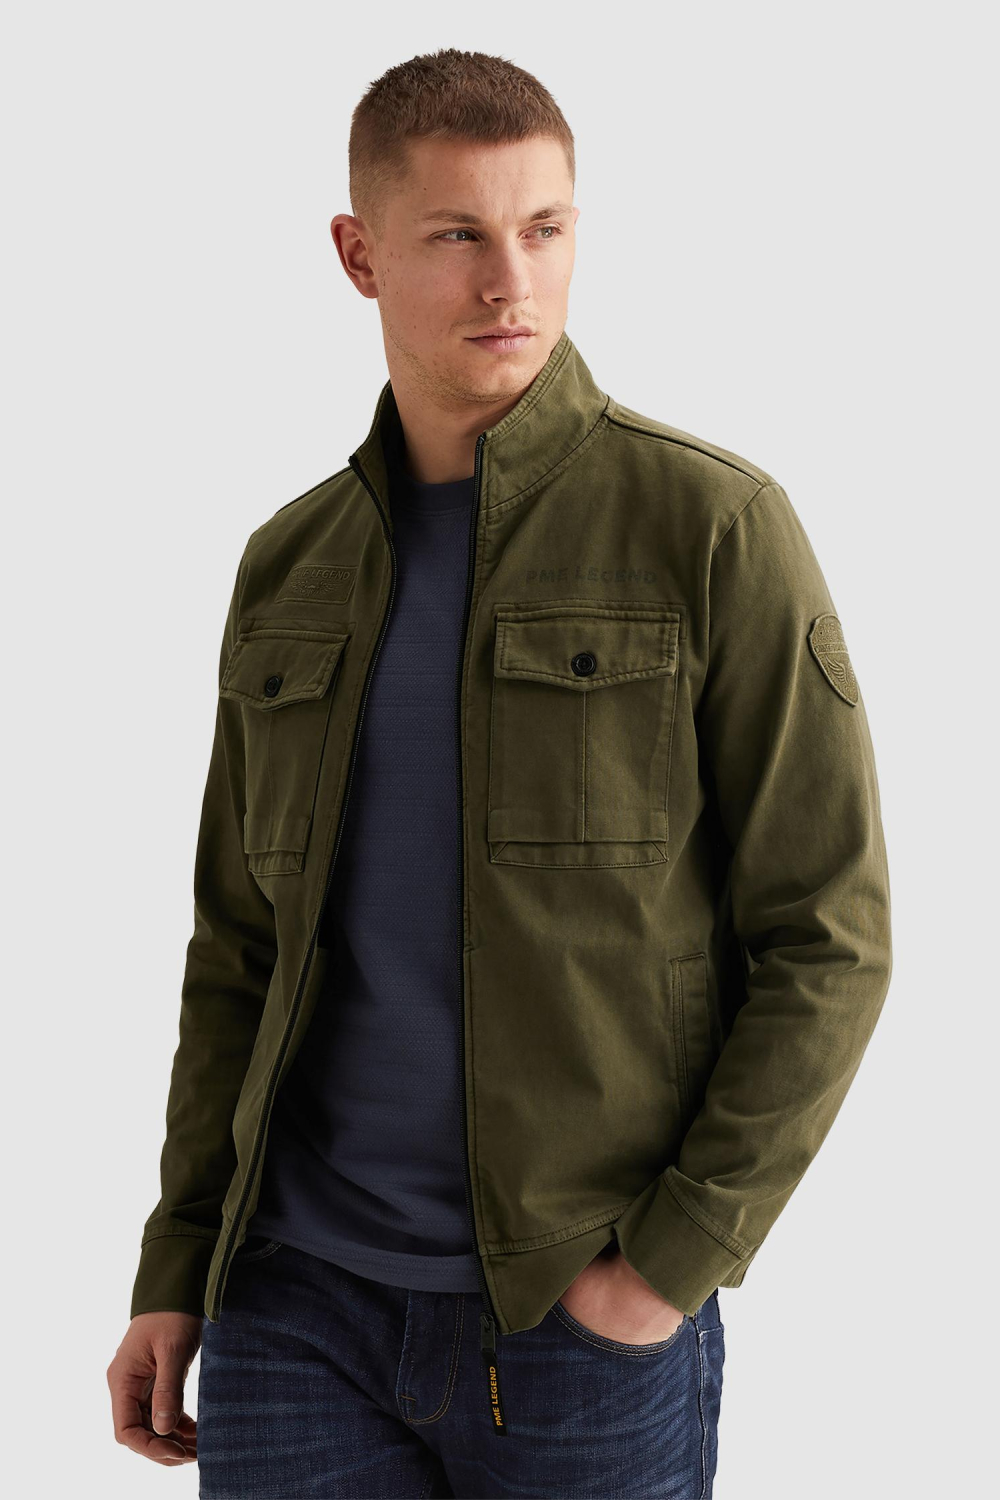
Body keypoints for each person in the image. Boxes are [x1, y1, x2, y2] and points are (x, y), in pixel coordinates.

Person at [106, 47, 892, 1500]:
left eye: (544, 228)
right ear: (360, 255)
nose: (509, 282)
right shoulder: (290, 565)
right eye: (459, 234)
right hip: (291, 1311)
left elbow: (829, 938)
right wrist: (181, 1261)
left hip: (573, 1319)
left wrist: (663, 1270)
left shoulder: (713, 528)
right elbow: (238, 950)